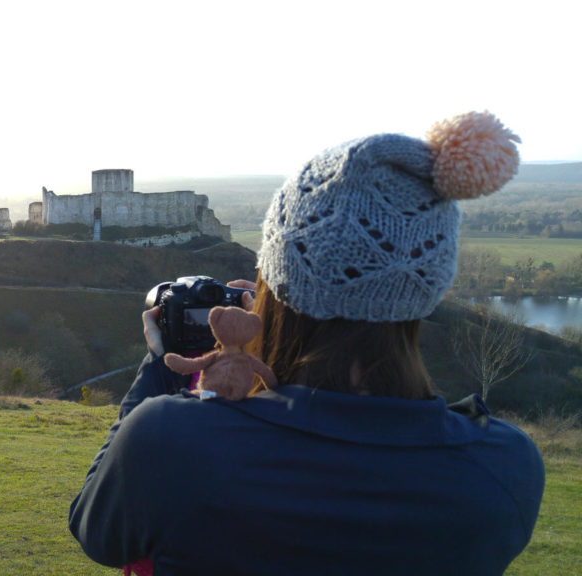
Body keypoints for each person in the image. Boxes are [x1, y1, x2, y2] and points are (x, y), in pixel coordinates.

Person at [68, 111, 545, 576]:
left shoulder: (173, 441)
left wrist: (161, 368)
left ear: (273, 284)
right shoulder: (504, 467)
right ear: (427, 286)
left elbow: (97, 532)